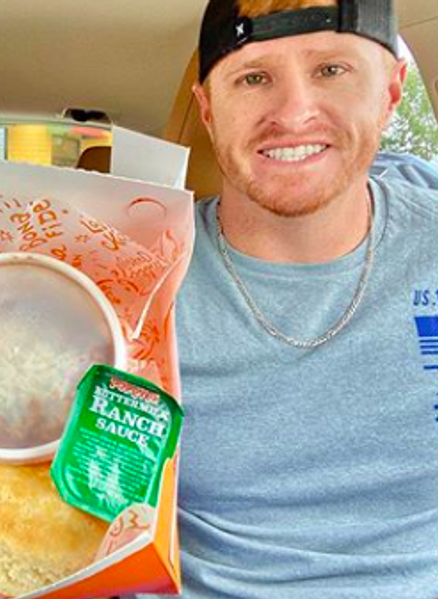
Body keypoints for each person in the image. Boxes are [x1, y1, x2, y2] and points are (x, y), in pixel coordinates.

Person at [139, 0, 438, 597]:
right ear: (208, 109)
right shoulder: (136, 283)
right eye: (254, 78)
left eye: (332, 70)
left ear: (391, 89)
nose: (294, 112)